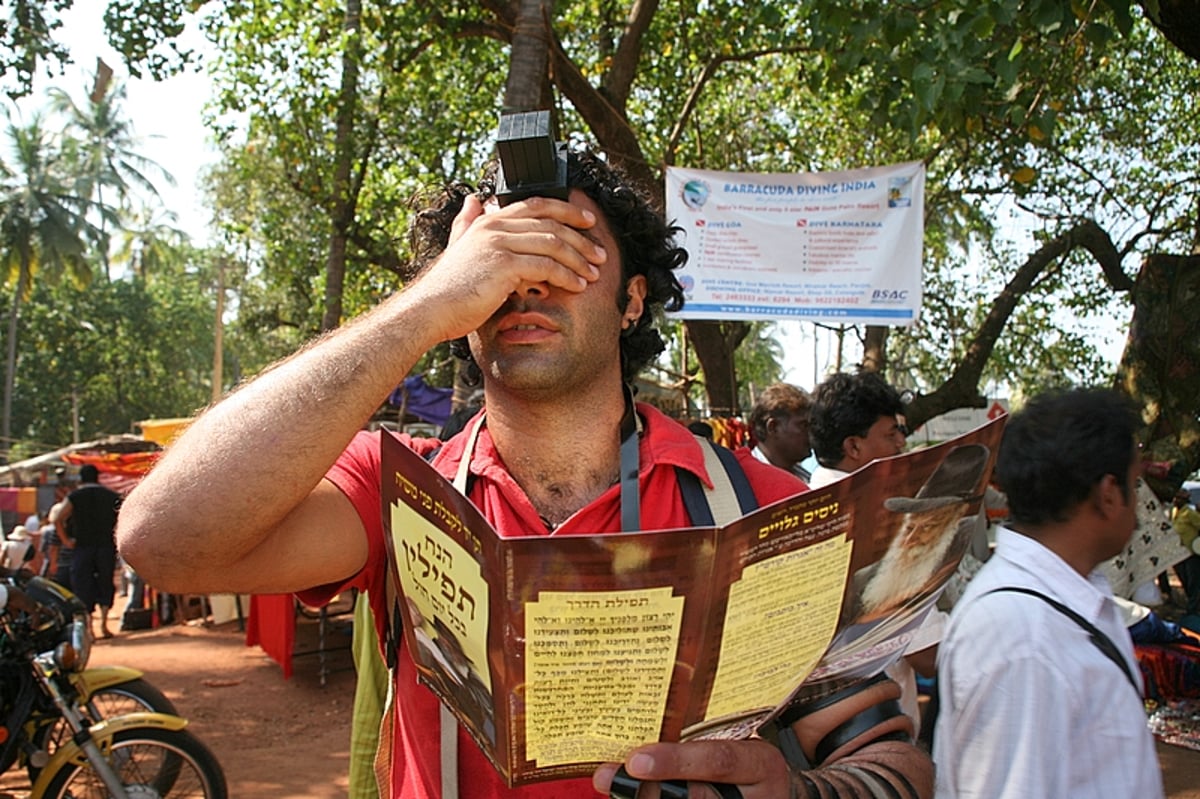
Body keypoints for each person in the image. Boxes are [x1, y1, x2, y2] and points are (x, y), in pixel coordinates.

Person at [118, 147, 933, 798]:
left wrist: (792, 791)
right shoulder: (399, 492)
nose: (529, 278)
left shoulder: (768, 510)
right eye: (501, 253)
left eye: (570, 245)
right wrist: (426, 302)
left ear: (632, 299)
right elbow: (162, 536)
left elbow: (894, 766)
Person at [933, 388, 1163, 798]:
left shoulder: (1062, 604)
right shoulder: (1021, 638)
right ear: (1109, 493)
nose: (1139, 506)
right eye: (1135, 483)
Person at [806, 371, 940, 736]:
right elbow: (930, 657)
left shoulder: (798, 511)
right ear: (854, 447)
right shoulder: (884, 530)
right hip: (880, 744)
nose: (901, 444)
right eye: (891, 434)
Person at [57, 464, 121, 639]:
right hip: (106, 546)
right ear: (97, 477)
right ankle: (105, 625)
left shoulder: (75, 497)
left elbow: (57, 518)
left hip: (82, 547)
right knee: (105, 582)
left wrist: (66, 540)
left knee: (83, 585)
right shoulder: (111, 496)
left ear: (81, 478)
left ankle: (90, 628)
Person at [745, 383, 814, 482]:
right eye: (803, 425)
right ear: (773, 428)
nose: (811, 432)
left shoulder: (806, 479)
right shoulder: (744, 479)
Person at [1171, 487, 1200, 618]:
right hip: (1178, 552)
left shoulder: (1189, 513)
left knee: (1192, 581)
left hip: (1191, 552)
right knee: (1183, 578)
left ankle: (1192, 609)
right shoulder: (1174, 512)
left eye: (1178, 498)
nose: (1175, 500)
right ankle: (1192, 604)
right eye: (1175, 498)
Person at [39, 501, 73, 589]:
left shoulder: (49, 531)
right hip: (76, 565)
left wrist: (52, 565)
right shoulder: (74, 528)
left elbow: (50, 549)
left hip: (60, 566)